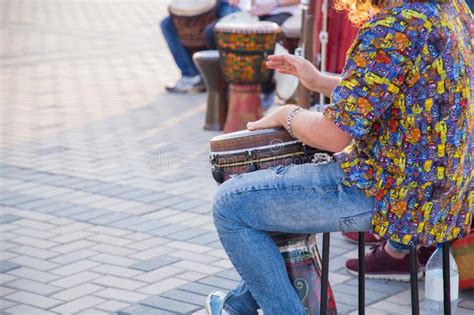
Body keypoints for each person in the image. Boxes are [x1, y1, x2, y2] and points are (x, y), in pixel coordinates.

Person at [205, 0, 473, 313]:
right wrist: (319, 81)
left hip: (391, 196)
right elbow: (395, 89)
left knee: (231, 205)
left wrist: (287, 113)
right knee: (270, 202)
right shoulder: (453, 10)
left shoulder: (395, 25)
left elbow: (333, 137)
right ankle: (237, 307)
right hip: (447, 197)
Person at [205, 0, 301, 108]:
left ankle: (267, 89)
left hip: (282, 12)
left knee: (263, 40)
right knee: (210, 33)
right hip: (252, 13)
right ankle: (231, 84)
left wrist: (275, 3)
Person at [160, 1, 239, 93]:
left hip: (224, 3)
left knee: (228, 24)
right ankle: (191, 76)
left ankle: (223, 75)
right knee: (166, 24)